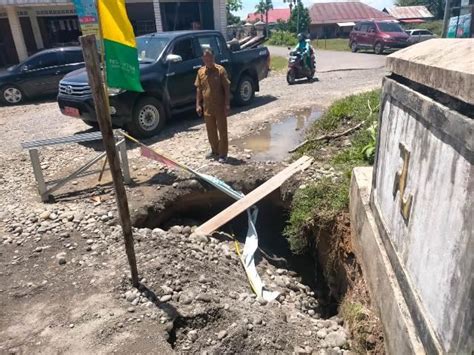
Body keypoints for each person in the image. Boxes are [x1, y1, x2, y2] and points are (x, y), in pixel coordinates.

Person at [195, 47, 231, 163]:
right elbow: (199, 89)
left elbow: (226, 88)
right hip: (207, 108)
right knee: (211, 131)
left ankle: (223, 154)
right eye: (206, 59)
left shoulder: (220, 70)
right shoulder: (200, 72)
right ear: (203, 59)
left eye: (210, 58)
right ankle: (214, 150)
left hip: (220, 107)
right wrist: (198, 105)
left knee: (222, 130)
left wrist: (227, 104)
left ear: (213, 58)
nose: (208, 61)